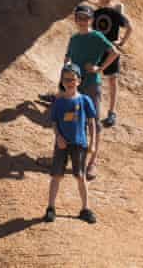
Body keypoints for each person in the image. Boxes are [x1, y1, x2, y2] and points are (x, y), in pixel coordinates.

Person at [65, 4, 119, 180]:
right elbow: (68, 59)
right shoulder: (73, 39)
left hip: (91, 84)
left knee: (93, 122)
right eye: (79, 17)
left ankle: (92, 163)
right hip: (75, 84)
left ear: (91, 20)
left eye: (86, 18)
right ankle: (71, 157)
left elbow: (114, 52)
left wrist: (99, 68)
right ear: (75, 19)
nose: (82, 21)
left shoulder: (97, 36)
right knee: (72, 119)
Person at [44, 63, 98, 224]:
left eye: (73, 79)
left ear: (79, 81)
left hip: (79, 143)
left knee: (80, 176)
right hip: (62, 143)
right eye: (66, 79)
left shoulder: (85, 100)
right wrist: (58, 137)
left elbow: (91, 122)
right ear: (62, 81)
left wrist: (93, 143)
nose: (70, 82)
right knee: (56, 175)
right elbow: (54, 122)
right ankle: (51, 208)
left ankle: (85, 208)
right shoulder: (59, 102)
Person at [85, 0, 133, 128]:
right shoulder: (94, 13)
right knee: (87, 76)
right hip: (97, 49)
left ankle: (112, 113)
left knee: (112, 80)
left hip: (110, 49)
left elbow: (130, 28)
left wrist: (122, 42)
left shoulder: (115, 13)